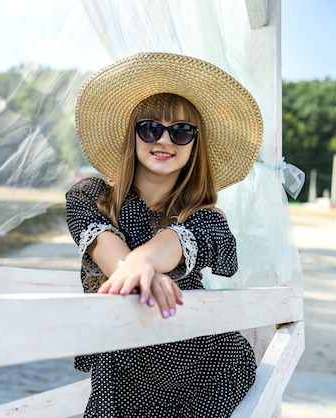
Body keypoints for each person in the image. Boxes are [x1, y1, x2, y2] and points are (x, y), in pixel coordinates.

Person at [65, 52, 264, 417]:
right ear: (133, 135)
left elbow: (172, 244)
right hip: (123, 371)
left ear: (194, 145)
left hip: (208, 370)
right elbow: (108, 253)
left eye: (182, 131)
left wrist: (143, 261)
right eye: (150, 127)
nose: (165, 140)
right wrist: (137, 270)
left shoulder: (207, 219)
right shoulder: (91, 197)